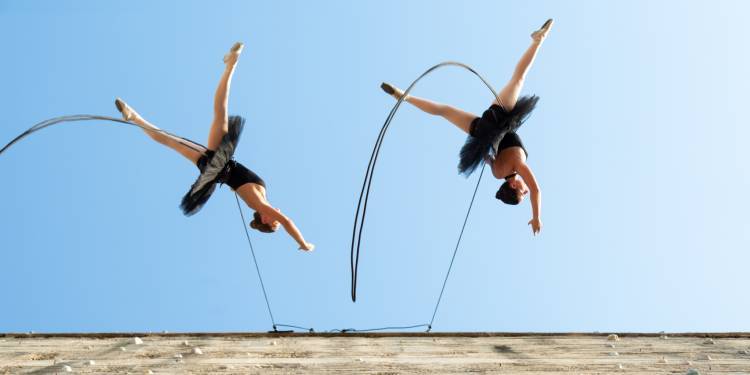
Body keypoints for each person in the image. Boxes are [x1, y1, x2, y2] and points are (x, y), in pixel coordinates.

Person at [115, 42, 315, 251]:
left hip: (218, 165)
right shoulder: (260, 195)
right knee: (178, 136)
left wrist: (303, 243)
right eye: (276, 221)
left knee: (210, 116)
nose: (277, 217)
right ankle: (134, 117)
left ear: (265, 218)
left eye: (273, 222)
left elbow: (287, 222)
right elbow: (241, 184)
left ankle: (230, 65)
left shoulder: (260, 204)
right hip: (219, 163)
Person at [380, 19, 553, 235]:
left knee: (518, 79)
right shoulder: (498, 175)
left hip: (499, 118)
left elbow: (536, 190)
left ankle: (538, 41)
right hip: (483, 131)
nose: (525, 192)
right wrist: (487, 156)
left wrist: (536, 217)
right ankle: (403, 97)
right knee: (444, 111)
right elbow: (488, 159)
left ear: (513, 187)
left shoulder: (517, 166)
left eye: (521, 194)